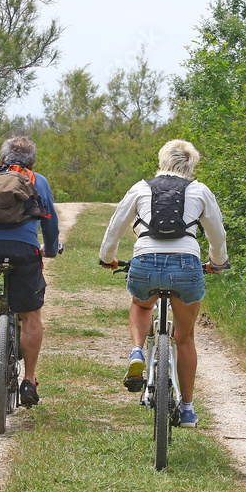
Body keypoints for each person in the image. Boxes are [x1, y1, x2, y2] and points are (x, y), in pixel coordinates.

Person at [99, 139, 229, 428]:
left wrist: (107, 257)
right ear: (191, 167)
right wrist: (217, 262)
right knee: (185, 338)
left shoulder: (141, 187)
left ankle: (136, 351)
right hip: (186, 265)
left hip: (145, 261)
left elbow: (116, 225)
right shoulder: (200, 190)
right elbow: (217, 234)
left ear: (161, 163)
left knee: (141, 305)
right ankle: (187, 408)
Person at [0, 135, 61, 407]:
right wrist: (50, 249)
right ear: (33, 161)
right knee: (31, 316)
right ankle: (29, 380)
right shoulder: (38, 180)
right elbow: (50, 222)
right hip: (25, 252)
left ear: (2, 159)